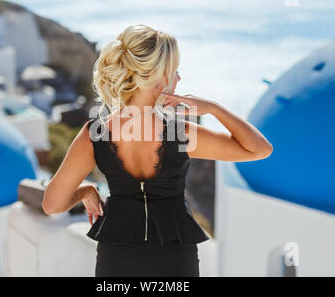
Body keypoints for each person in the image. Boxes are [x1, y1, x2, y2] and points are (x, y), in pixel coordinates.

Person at [42, 24, 273, 277]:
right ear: (157, 74)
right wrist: (213, 108)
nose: (178, 78)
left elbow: (52, 204)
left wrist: (86, 190)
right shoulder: (180, 132)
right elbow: (259, 150)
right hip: (175, 260)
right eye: (174, 70)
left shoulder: (95, 133)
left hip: (116, 260)